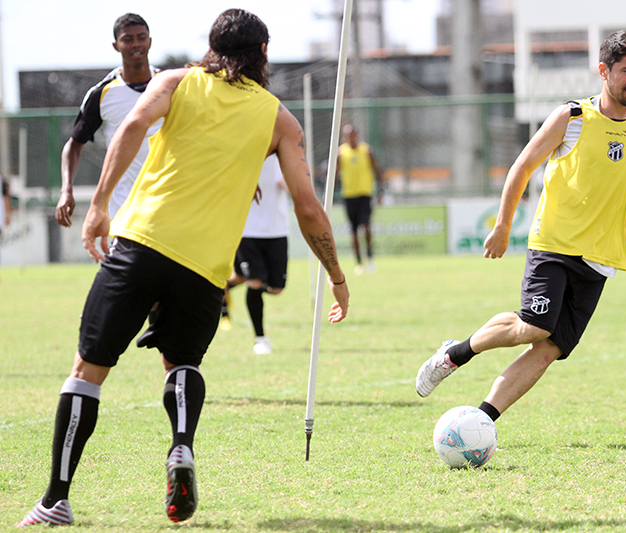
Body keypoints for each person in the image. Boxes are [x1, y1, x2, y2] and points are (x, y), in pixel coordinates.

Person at [18, 9, 349, 527]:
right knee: (182, 365)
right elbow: (308, 207)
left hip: (142, 244)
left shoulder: (175, 82)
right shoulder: (281, 119)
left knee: (88, 371)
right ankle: (181, 447)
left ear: (212, 46)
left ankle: (55, 500)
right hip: (205, 267)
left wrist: (99, 205)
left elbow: (131, 127)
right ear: (263, 53)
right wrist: (336, 274)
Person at [415, 31, 626, 424]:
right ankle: (454, 354)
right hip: (555, 242)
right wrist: (502, 225)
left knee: (550, 348)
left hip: (603, 257)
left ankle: (480, 422)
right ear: (604, 71)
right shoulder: (573, 117)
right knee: (532, 327)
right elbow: (523, 166)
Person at [55, 13, 162, 227]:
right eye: (127, 39)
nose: (136, 44)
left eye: (141, 37)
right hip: (123, 206)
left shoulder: (169, 86)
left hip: (167, 200)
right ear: (116, 45)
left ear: (150, 41)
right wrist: (66, 189)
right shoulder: (102, 94)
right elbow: (74, 145)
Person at [220, 154, 291, 355]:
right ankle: (260, 338)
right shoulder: (245, 148)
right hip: (248, 230)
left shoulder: (283, 150)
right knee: (255, 282)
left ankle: (227, 285)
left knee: (276, 288)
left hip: (277, 229)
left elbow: (287, 180)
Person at [336, 124, 382, 274]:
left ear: (357, 134)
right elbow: (334, 175)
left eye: (353, 134)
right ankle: (358, 262)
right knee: (354, 230)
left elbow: (376, 170)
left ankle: (369, 256)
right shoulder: (340, 153)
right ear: (344, 137)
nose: (351, 137)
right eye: (348, 135)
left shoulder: (366, 151)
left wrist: (381, 190)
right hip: (349, 195)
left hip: (364, 194)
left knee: (366, 226)